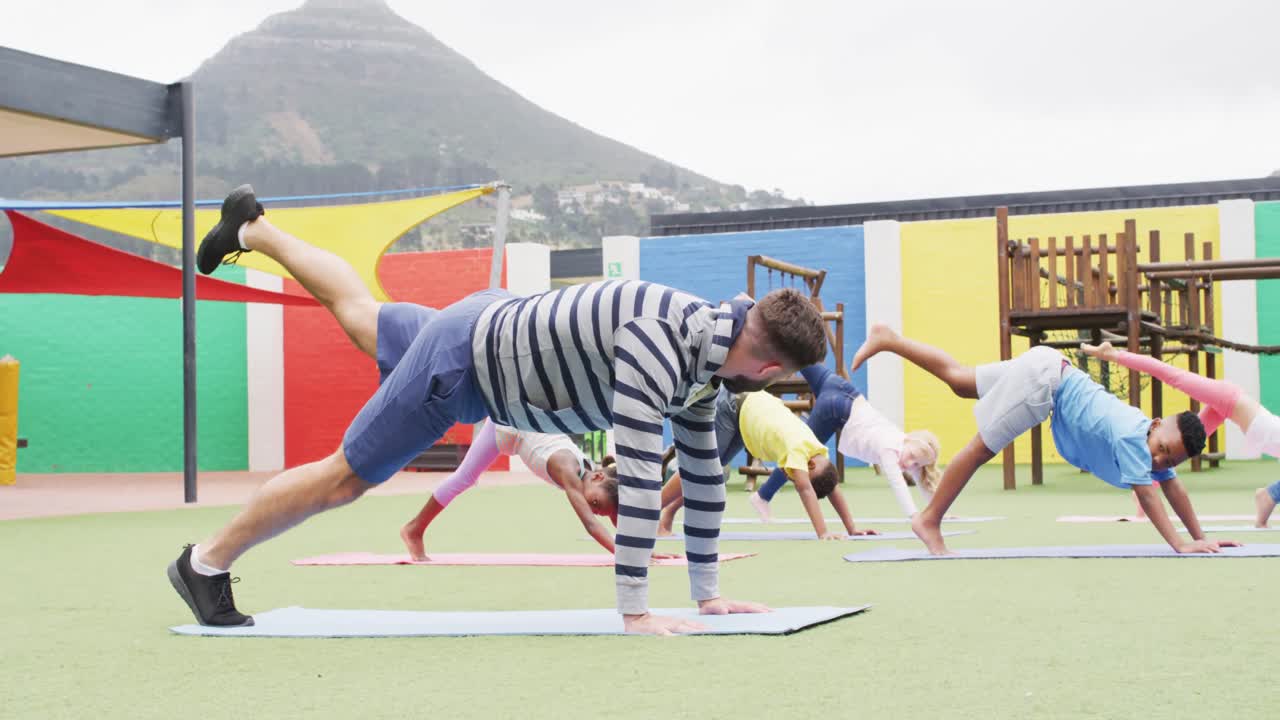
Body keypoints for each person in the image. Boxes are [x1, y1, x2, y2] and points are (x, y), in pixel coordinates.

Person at [167, 185, 830, 634]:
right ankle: (203, 564)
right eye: (770, 379)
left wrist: (708, 595)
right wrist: (637, 613)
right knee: (345, 478)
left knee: (364, 314)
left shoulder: (705, 350)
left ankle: (253, 228)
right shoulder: (660, 343)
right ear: (769, 368)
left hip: (491, 323)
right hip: (466, 367)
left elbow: (705, 476)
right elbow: (634, 471)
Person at [851, 324, 1239, 555]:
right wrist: (1180, 544)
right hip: (1045, 382)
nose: (1158, 461)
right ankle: (929, 520)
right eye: (1161, 450)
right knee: (981, 447)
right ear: (1155, 426)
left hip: (1051, 367)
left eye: (1168, 461)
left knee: (959, 379)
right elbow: (1151, 495)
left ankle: (889, 338)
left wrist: (1201, 538)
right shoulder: (1131, 438)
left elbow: (1174, 489)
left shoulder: (1146, 436)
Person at [1079, 341, 1280, 528]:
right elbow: (1165, 372)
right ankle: (1269, 495)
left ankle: (1269, 495)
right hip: (1235, 402)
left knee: (1185, 446)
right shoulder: (1227, 398)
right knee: (1173, 376)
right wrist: (1115, 356)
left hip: (1243, 410)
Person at [658, 387, 874, 540]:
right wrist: (823, 532)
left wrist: (851, 528)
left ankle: (667, 514)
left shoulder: (818, 451)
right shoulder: (799, 450)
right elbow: (806, 489)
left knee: (709, 471)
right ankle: (652, 510)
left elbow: (830, 485)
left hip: (747, 412)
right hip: (734, 404)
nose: (792, 477)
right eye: (796, 477)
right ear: (809, 467)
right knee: (700, 466)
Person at [400, 421, 622, 559]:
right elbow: (590, 525)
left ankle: (414, 529)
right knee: (465, 478)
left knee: (464, 477)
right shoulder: (568, 468)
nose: (592, 508)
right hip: (508, 424)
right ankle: (414, 529)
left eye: (597, 510)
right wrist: (625, 556)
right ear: (599, 477)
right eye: (596, 504)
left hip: (520, 424)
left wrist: (637, 549)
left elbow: (615, 516)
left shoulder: (590, 473)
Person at [748, 364, 941, 522]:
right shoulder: (890, 449)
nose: (909, 465)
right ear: (909, 441)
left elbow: (919, 474)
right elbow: (897, 483)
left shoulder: (903, 440)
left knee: (800, 355)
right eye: (912, 458)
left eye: (916, 465)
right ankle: (762, 496)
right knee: (800, 456)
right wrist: (914, 515)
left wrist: (938, 511)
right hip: (835, 409)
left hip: (840, 388)